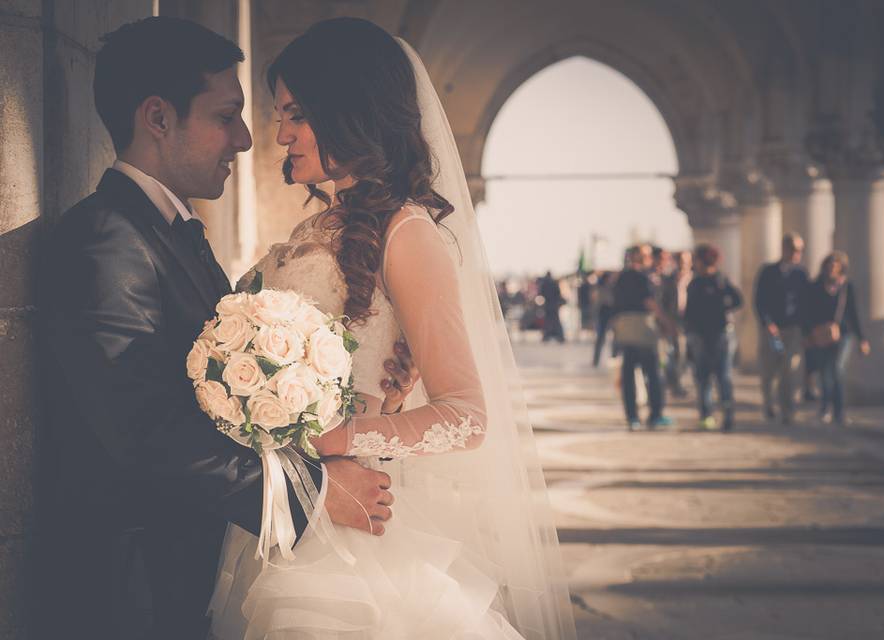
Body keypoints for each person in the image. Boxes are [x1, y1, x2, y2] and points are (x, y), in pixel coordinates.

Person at [37, 17, 416, 638]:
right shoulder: (107, 238)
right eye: (226, 115)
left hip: (193, 572)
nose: (245, 139)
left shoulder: (173, 231)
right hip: (139, 592)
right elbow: (136, 430)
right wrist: (313, 492)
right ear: (157, 118)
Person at [209, 18, 576, 638]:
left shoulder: (407, 233)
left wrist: (340, 438)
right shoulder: (317, 229)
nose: (279, 134)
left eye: (296, 114)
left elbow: (466, 415)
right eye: (280, 115)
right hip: (290, 507)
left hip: (351, 526)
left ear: (350, 111)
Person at [803, 252, 870, 426]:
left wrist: (862, 339)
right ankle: (825, 408)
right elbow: (808, 311)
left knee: (838, 369)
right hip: (820, 334)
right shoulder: (815, 286)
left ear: (841, 267)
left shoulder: (847, 287)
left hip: (843, 334)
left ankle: (839, 411)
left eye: (836, 265)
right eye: (830, 264)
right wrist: (810, 333)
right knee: (825, 372)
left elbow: (853, 314)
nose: (832, 268)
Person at [613, 245, 675, 430]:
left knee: (629, 374)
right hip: (643, 328)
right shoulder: (643, 278)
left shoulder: (621, 278)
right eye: (647, 255)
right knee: (653, 374)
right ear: (640, 258)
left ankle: (632, 417)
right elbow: (649, 302)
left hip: (625, 328)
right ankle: (655, 415)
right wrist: (666, 322)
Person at [684, 244, 742, 431]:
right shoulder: (697, 282)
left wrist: (723, 307)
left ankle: (725, 414)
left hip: (720, 334)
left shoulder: (721, 281)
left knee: (720, 376)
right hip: (702, 335)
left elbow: (738, 300)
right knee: (704, 377)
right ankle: (708, 414)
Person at [755, 232, 809, 424]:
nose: (798, 253)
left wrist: (805, 329)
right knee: (769, 369)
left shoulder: (801, 274)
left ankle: (788, 410)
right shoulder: (768, 272)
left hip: (792, 330)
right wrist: (768, 323)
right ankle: (768, 404)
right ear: (785, 249)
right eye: (795, 249)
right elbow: (759, 300)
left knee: (790, 370)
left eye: (801, 250)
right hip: (772, 331)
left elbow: (806, 303)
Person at [663, 249, 693, 397]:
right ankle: (676, 384)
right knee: (677, 353)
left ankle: (679, 382)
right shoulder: (669, 279)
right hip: (674, 320)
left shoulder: (695, 279)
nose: (683, 263)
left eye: (686, 260)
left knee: (687, 355)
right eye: (681, 260)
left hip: (691, 322)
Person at [592, 270, 617, 366]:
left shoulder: (610, 288)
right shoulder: (602, 289)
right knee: (601, 337)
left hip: (608, 313)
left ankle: (613, 358)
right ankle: (596, 360)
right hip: (604, 313)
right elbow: (602, 302)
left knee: (615, 337)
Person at [539, 270, 566, 342]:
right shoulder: (554, 283)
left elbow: (541, 293)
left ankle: (546, 337)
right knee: (556, 321)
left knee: (547, 321)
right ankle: (560, 337)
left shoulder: (544, 283)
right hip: (554, 305)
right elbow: (558, 293)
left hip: (548, 305)